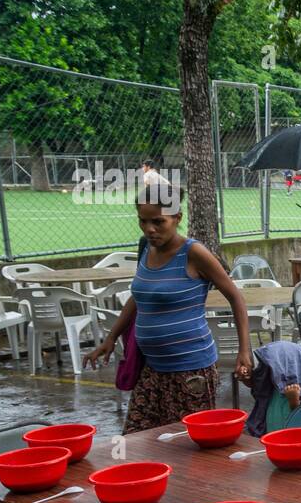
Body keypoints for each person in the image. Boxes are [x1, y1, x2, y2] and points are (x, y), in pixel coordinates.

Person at [85, 182, 253, 433]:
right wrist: (111, 337)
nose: (149, 229)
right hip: (152, 369)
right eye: (142, 221)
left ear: (177, 218)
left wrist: (244, 351)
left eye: (158, 222)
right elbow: (139, 297)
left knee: (188, 446)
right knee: (137, 439)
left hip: (190, 371)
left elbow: (236, 298)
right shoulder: (145, 248)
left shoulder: (194, 253)